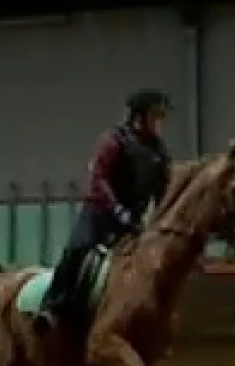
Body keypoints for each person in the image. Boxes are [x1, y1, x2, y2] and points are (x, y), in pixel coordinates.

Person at [34, 87, 174, 332]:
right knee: (76, 250)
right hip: (99, 215)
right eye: (156, 116)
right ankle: (52, 306)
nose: (160, 122)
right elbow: (99, 179)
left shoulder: (159, 152)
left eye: (162, 117)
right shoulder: (114, 140)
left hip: (134, 223)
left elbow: (163, 190)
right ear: (139, 116)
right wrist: (117, 210)